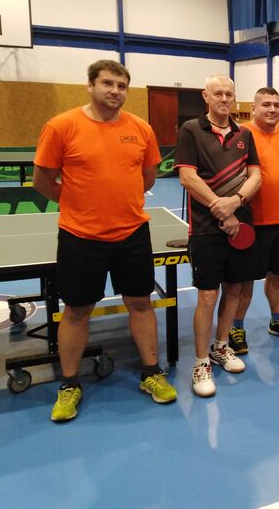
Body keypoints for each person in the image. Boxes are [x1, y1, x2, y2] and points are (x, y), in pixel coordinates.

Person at [33, 59, 177, 422]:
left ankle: (151, 373)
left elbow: (147, 177)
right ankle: (69, 384)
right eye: (108, 83)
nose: (115, 91)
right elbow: (42, 180)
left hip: (132, 233)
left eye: (121, 85)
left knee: (140, 303)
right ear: (90, 85)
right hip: (80, 236)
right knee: (77, 309)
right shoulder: (61, 126)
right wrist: (78, 203)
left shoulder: (141, 128)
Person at [175, 75, 261, 397]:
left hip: (241, 225)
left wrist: (236, 202)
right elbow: (187, 177)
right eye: (218, 94)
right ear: (206, 96)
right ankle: (200, 363)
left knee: (235, 289)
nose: (224, 99)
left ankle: (221, 346)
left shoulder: (244, 134)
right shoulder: (191, 130)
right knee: (208, 296)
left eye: (229, 94)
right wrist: (222, 210)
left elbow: (256, 176)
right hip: (206, 229)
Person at [229, 87, 279, 354]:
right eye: (266, 105)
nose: (272, 109)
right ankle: (236, 327)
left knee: (277, 274)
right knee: (245, 279)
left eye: (276, 104)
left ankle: (277, 320)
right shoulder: (240, 134)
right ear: (253, 108)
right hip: (250, 223)